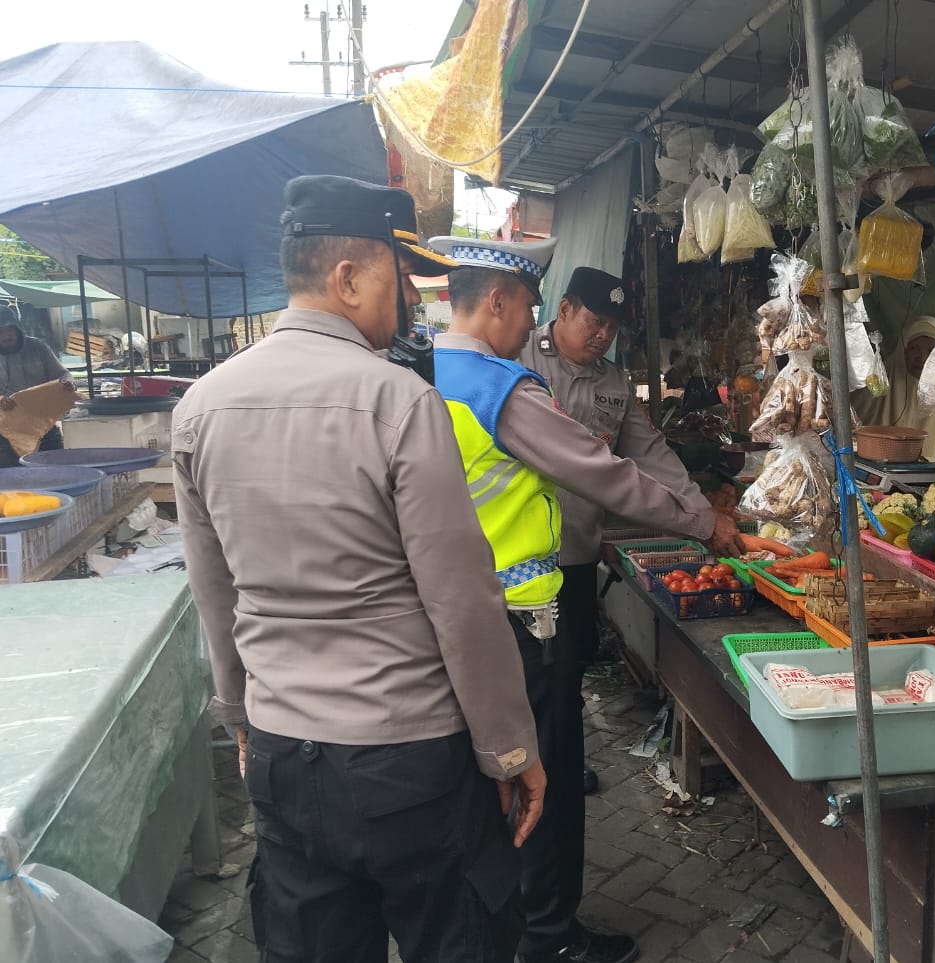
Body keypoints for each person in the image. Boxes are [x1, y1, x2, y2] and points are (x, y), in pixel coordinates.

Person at [173, 175, 545, 963]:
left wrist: (240, 715)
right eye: (397, 279)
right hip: (409, 761)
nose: (410, 301)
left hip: (282, 753)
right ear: (346, 277)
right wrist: (510, 748)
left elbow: (216, 593)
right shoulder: (399, 402)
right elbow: (463, 599)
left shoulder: (200, 408)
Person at [429, 242, 742, 963]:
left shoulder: (420, 374)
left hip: (466, 605)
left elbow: (646, 450)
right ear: (503, 299)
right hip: (524, 612)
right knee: (548, 772)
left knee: (490, 768)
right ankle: (549, 935)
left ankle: (496, 920)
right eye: (535, 307)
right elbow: (607, 473)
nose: (534, 320)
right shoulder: (501, 383)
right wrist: (702, 522)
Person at [518, 265, 721, 774]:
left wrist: (702, 514)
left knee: (571, 661)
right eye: (595, 320)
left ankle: (560, 760)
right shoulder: (517, 357)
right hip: (521, 555)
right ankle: (532, 763)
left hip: (578, 551)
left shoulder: (613, 381)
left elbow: (650, 454)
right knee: (526, 668)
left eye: (612, 326)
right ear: (564, 310)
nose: (603, 334)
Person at [854, 314, 935, 462]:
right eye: (914, 348)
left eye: (932, 350)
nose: (922, 357)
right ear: (903, 349)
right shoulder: (879, 380)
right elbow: (853, 423)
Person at [0, 306, 76, 467]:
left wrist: (66, 383)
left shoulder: (38, 347)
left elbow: (63, 374)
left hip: (44, 426)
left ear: (17, 328)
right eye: (1, 332)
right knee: (12, 480)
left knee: (57, 471)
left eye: (9, 330)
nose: (6, 336)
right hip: (6, 432)